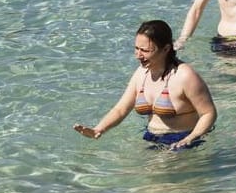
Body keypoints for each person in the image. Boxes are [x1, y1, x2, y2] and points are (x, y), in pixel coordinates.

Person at [74, 19, 216, 150]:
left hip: (183, 141)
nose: (138, 55)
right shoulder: (141, 73)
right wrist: (99, 129)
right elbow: (121, 109)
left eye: (145, 50)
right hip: (151, 138)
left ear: (166, 49)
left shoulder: (185, 76)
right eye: (137, 48)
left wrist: (190, 139)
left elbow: (208, 113)